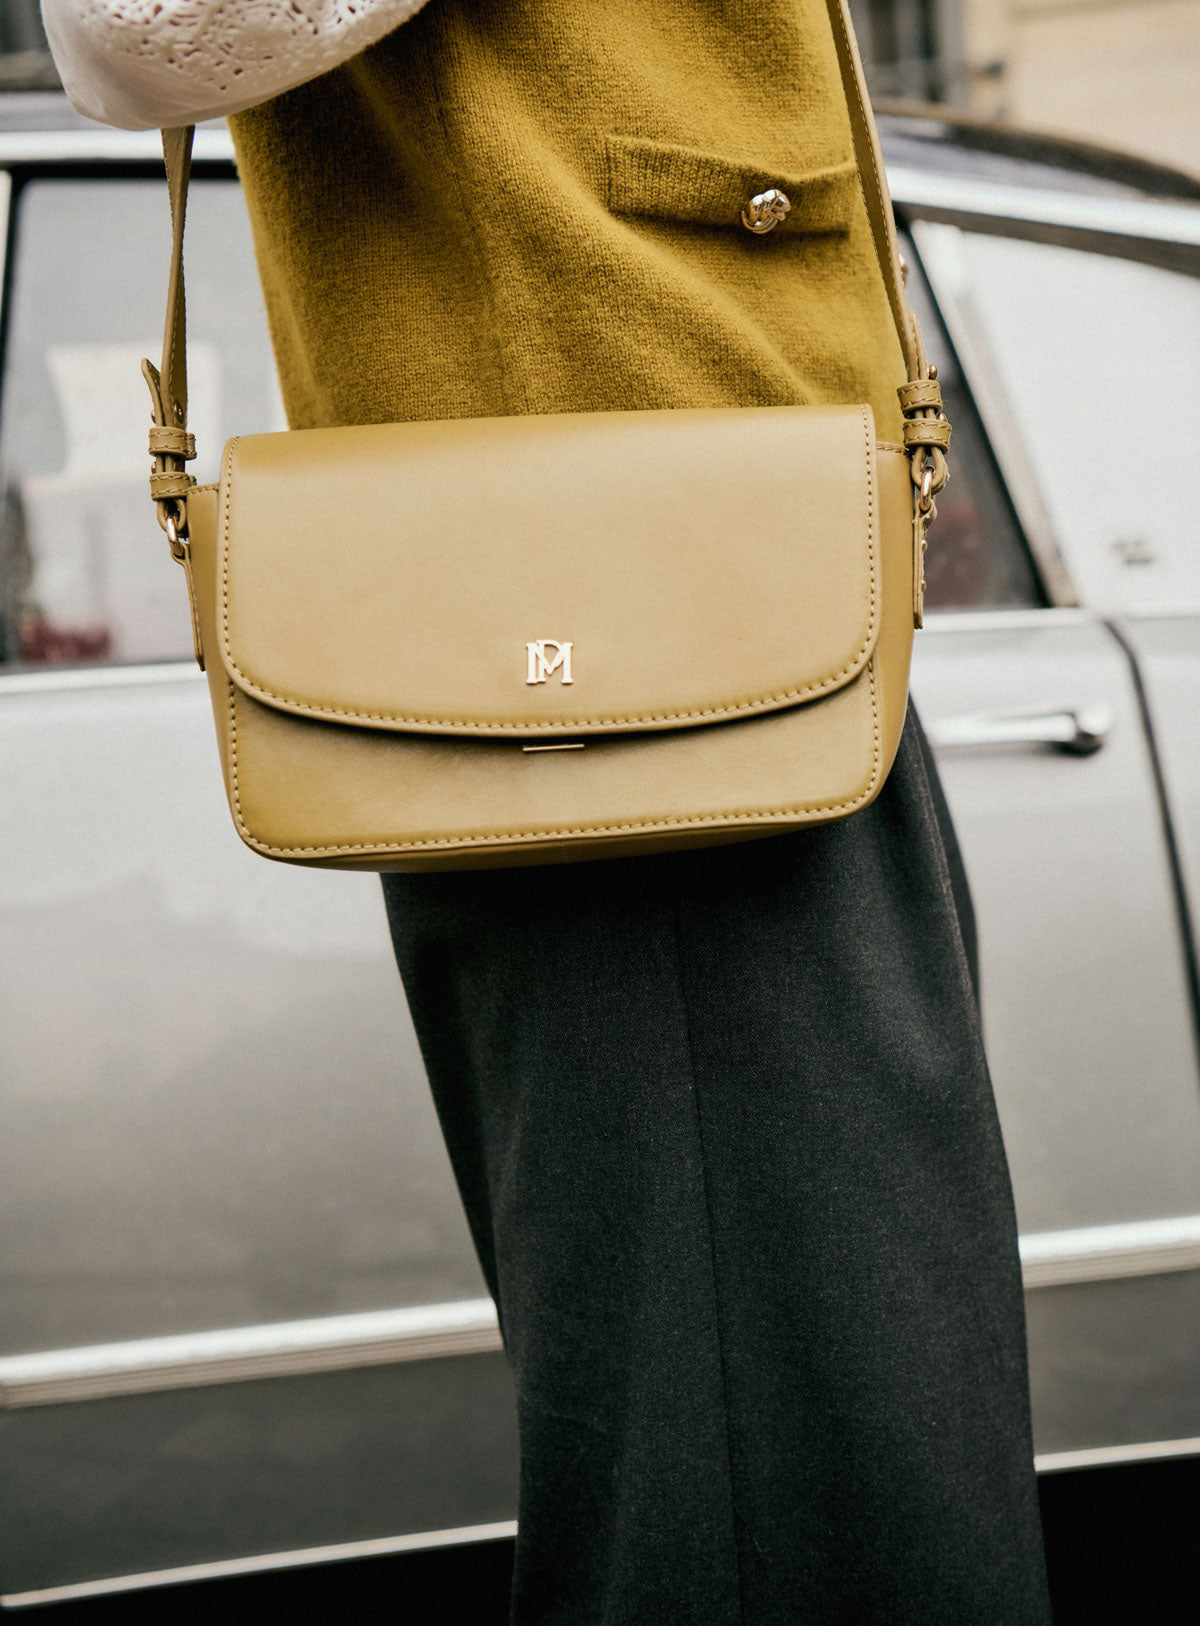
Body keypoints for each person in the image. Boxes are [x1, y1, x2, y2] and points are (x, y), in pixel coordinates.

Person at [43, 3, 1054, 1620]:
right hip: (632, 702)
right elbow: (131, 28)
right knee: (799, 1495)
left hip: (775, 618)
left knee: (842, 1452)